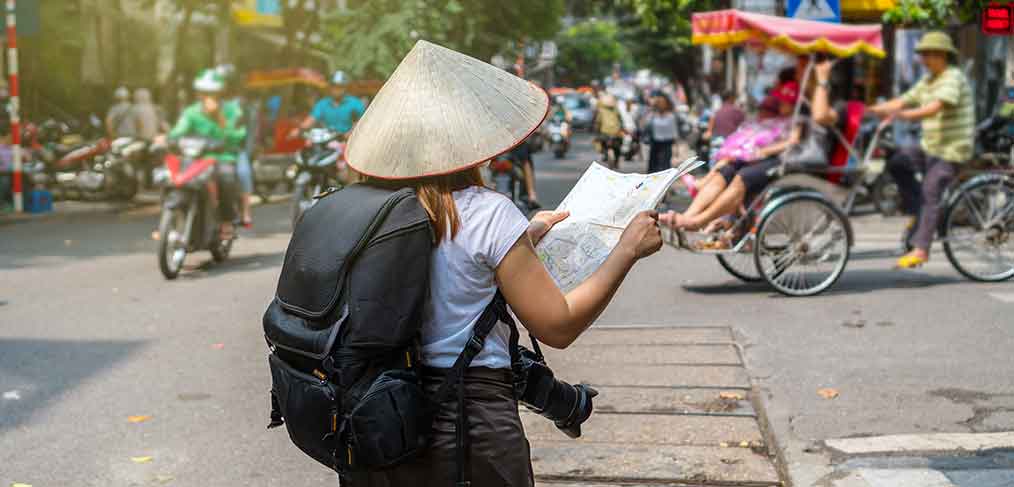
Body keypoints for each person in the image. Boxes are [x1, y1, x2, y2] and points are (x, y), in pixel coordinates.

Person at [338, 40, 663, 487]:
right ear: (472, 137)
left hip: (379, 413)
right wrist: (627, 249)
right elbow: (558, 326)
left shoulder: (369, 209)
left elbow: (442, 264)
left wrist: (522, 237)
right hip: (470, 418)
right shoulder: (487, 213)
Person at [662, 60, 845, 238]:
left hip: (801, 160)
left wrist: (821, 78)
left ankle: (698, 221)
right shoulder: (802, 99)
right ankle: (689, 215)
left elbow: (817, 119)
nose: (799, 71)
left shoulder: (834, 104)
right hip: (785, 156)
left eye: (804, 67)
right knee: (727, 170)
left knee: (744, 177)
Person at [870, 31, 974, 269]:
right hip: (930, 146)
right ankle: (921, 212)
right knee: (897, 160)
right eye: (922, 54)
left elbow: (934, 108)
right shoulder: (928, 80)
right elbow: (904, 100)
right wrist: (871, 110)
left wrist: (901, 116)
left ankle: (921, 249)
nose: (923, 59)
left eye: (927, 54)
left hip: (952, 150)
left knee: (930, 191)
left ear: (942, 55)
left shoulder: (952, 77)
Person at [166, 69, 246, 240]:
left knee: (226, 177)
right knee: (169, 178)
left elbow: (237, 135)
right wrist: (167, 139)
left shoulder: (232, 110)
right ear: (198, 93)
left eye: (212, 92)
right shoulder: (191, 112)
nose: (208, 96)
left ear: (220, 93)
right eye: (204, 92)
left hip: (222, 157)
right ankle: (169, 222)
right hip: (195, 158)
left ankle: (227, 221)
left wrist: (218, 116)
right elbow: (179, 131)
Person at [294, 70, 366, 138]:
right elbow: (311, 119)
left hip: (348, 141)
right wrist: (299, 130)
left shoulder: (356, 104)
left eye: (339, 87)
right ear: (330, 87)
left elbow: (362, 123)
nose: (336, 89)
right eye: (334, 86)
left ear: (345, 87)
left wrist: (351, 133)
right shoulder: (323, 103)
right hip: (327, 139)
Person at [643, 92, 679, 173]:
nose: (661, 106)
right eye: (659, 104)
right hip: (656, 142)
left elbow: (674, 131)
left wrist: (676, 147)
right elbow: (645, 127)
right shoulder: (652, 115)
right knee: (654, 163)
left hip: (666, 142)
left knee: (664, 163)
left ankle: (663, 181)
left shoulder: (671, 116)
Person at [594, 93, 624, 168]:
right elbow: (621, 120)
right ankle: (616, 161)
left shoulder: (601, 111)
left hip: (605, 133)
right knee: (618, 146)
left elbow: (598, 122)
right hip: (616, 132)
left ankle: (605, 154)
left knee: (599, 141)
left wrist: (596, 129)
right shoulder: (616, 110)